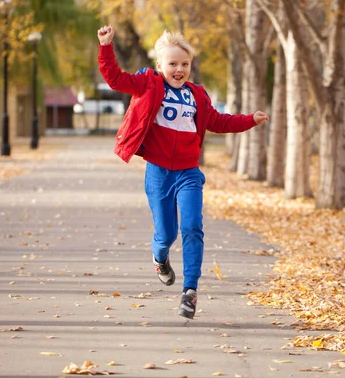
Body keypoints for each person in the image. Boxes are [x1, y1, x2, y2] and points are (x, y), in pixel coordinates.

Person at [97, 24, 268, 319]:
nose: (179, 70)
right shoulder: (148, 84)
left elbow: (219, 122)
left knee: (192, 227)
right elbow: (115, 79)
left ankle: (190, 291)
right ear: (160, 65)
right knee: (166, 234)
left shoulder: (197, 96)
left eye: (185, 64)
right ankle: (159, 257)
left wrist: (249, 119)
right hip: (159, 173)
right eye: (173, 64)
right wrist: (105, 47)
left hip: (189, 173)